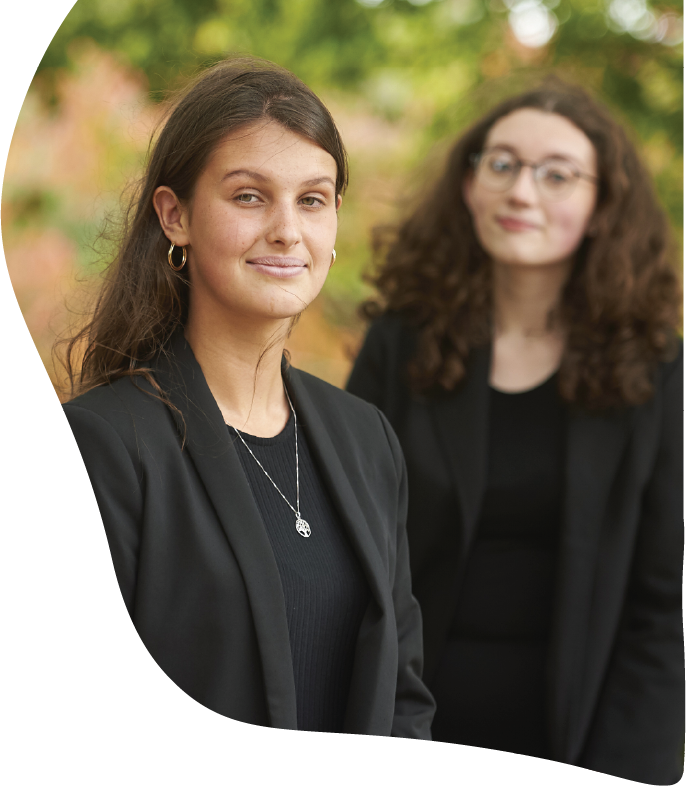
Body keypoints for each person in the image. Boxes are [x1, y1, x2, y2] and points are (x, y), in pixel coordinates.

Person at [57, 57, 435, 774]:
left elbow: (403, 699)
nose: (288, 231)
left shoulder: (366, 440)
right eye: (250, 197)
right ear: (176, 216)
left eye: (313, 200)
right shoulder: (104, 447)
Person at [346, 78, 686, 784]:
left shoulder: (659, 372)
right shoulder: (401, 344)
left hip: (580, 743)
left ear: (602, 207)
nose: (521, 192)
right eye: (500, 164)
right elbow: (349, 550)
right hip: (403, 731)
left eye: (557, 175)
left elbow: (666, 607)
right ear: (469, 185)